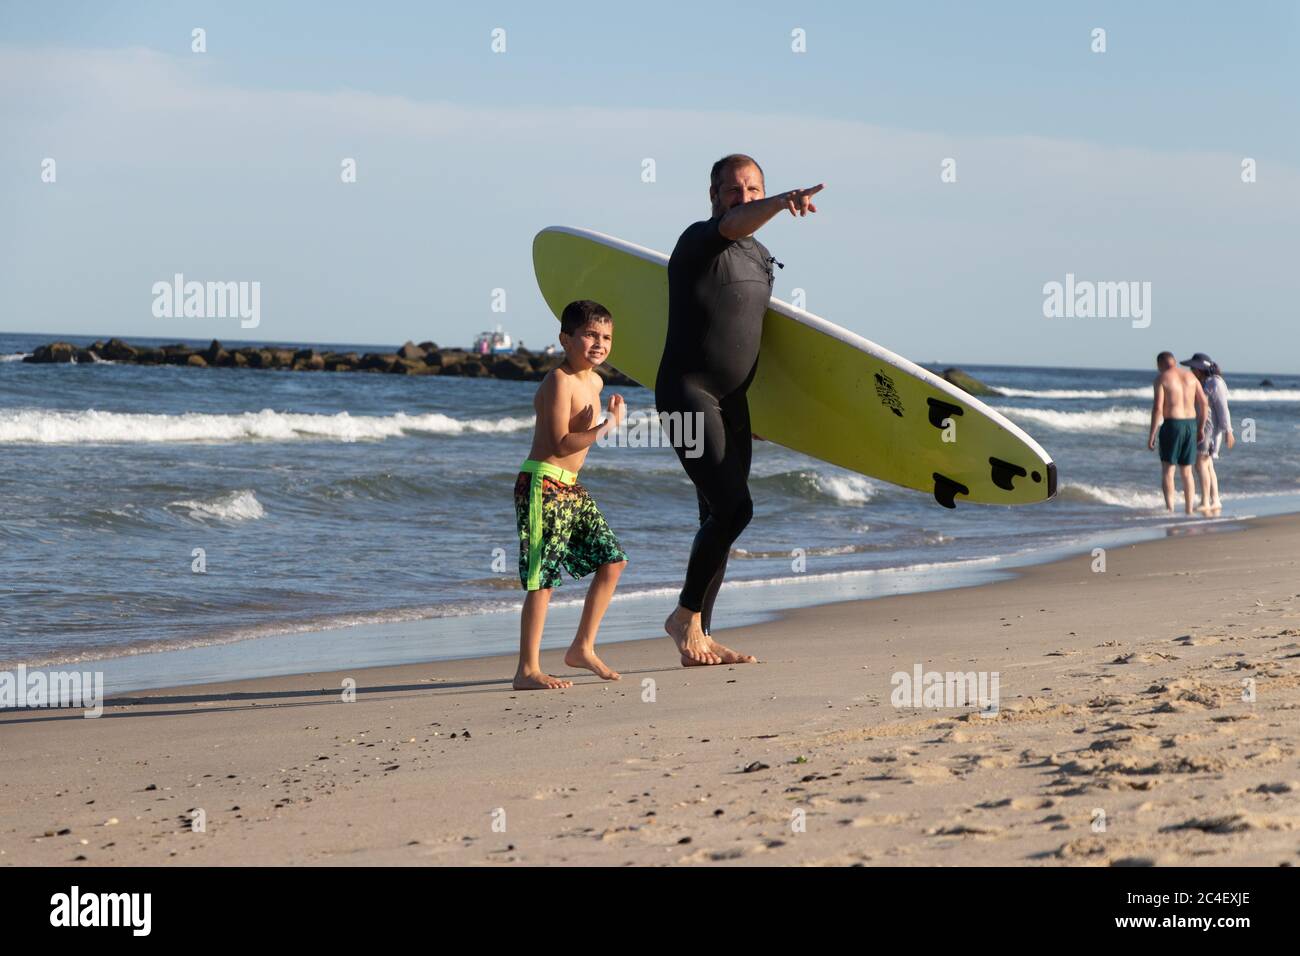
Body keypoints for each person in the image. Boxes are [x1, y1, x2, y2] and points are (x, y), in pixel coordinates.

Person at [655, 153, 824, 666]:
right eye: (735, 189)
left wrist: (769, 409)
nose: (745, 197)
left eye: (755, 189)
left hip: (735, 402)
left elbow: (754, 337)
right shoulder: (698, 239)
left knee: (716, 517)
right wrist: (782, 201)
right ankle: (685, 616)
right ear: (715, 196)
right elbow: (732, 225)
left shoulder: (762, 257)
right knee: (736, 509)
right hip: (687, 395)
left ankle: (699, 636)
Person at [512, 300, 628, 690]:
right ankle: (527, 670)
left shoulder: (595, 382)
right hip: (543, 483)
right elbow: (561, 444)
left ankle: (582, 647)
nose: (599, 344)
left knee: (612, 562)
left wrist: (603, 423)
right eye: (590, 335)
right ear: (566, 338)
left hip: (571, 487)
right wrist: (608, 425)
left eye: (606, 337)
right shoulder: (558, 381)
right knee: (542, 578)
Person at [1147, 350, 1207, 515]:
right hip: (1190, 424)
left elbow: (1158, 408)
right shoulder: (1191, 377)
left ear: (1161, 364)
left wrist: (1152, 434)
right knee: (1187, 471)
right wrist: (1200, 427)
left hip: (1172, 425)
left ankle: (1170, 509)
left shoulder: (1162, 378)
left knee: (1168, 470)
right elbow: (1204, 404)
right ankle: (1189, 510)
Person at [1182, 352, 1235, 513]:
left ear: (1200, 369)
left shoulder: (1214, 383)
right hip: (1205, 428)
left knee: (1201, 464)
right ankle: (1215, 499)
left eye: (1193, 368)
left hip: (1209, 430)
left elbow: (1222, 408)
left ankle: (1206, 500)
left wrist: (1228, 431)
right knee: (1207, 465)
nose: (1191, 371)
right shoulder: (1206, 382)